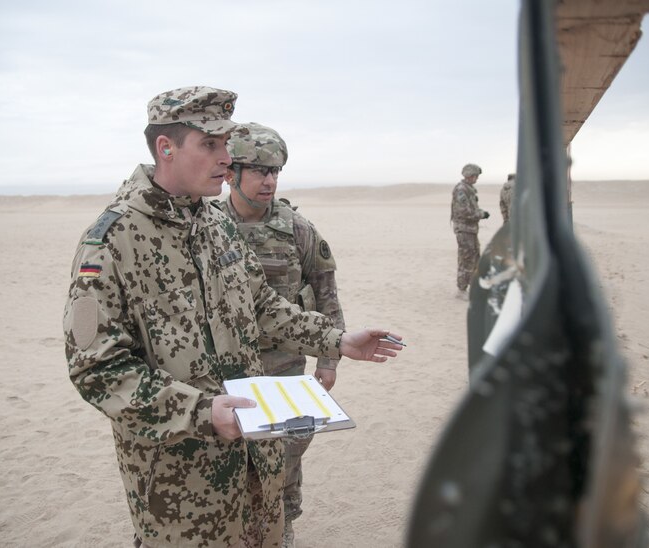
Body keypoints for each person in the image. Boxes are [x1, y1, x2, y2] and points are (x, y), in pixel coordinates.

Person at [62, 86, 404, 548]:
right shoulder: (112, 240)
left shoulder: (215, 223)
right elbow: (97, 368)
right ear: (166, 148)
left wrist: (335, 340)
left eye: (227, 144)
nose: (226, 158)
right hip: (182, 488)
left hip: (256, 467)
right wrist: (201, 413)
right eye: (210, 144)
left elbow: (261, 305)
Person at [219, 122, 344, 547]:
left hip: (286, 368)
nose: (269, 180)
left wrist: (328, 361)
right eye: (258, 170)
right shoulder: (207, 227)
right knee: (233, 459)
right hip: (227, 368)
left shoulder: (298, 229)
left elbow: (326, 296)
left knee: (286, 456)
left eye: (275, 171)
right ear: (231, 172)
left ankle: (282, 528)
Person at [450, 163, 489, 300]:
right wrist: (481, 214)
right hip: (464, 229)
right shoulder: (461, 189)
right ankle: (461, 290)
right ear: (469, 175)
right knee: (466, 259)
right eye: (475, 176)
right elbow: (465, 211)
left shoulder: (469, 189)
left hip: (470, 229)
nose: (476, 179)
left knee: (474, 257)